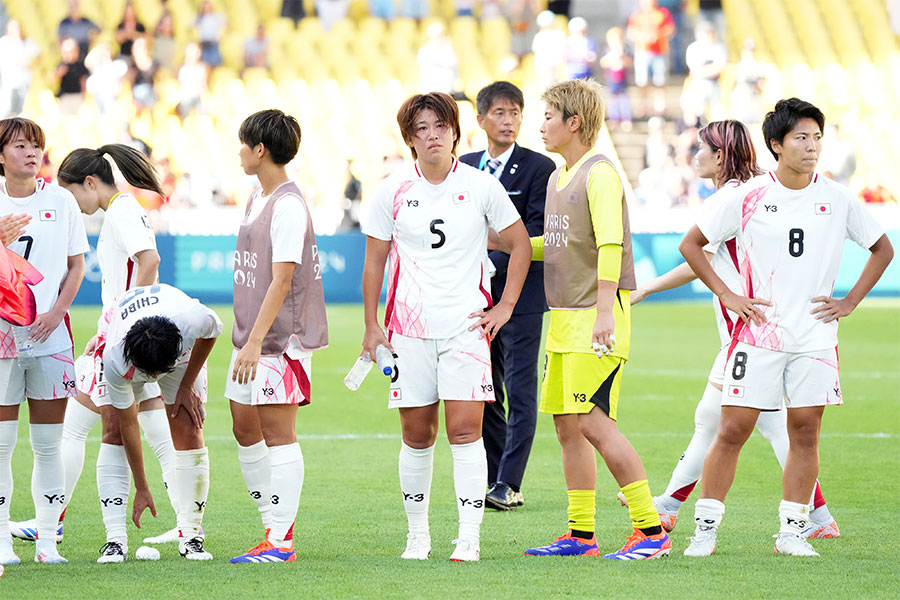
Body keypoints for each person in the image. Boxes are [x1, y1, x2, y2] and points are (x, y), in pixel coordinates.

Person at [679, 98, 893, 557]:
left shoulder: (836, 197)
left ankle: (793, 533)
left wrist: (850, 301)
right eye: (801, 137)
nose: (812, 146)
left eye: (817, 137)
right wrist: (729, 295)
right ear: (776, 145)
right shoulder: (746, 196)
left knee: (805, 434)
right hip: (759, 335)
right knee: (731, 431)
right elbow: (692, 245)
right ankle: (704, 533)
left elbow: (882, 248)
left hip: (815, 338)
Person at [628, 120, 839, 538]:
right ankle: (669, 504)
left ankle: (814, 519)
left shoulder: (736, 197)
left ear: (720, 155)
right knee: (715, 419)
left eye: (702, 149)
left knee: (761, 423)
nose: (695, 156)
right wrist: (650, 288)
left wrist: (653, 288)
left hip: (752, 333)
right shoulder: (756, 191)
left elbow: (695, 256)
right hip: (757, 330)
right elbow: (701, 260)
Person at [361, 92, 531, 562]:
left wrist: (506, 306)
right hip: (408, 333)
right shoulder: (391, 190)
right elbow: (374, 261)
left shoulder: (480, 186)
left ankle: (469, 537)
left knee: (464, 432)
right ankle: (418, 537)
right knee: (417, 435)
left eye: (440, 125)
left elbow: (519, 245)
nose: (432, 134)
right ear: (410, 139)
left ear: (456, 131)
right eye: (421, 128)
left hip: (466, 331)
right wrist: (372, 326)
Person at [8, 144, 183, 561]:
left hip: (126, 339)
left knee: (96, 430)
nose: (71, 205)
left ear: (90, 183)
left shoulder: (121, 211)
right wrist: (111, 325)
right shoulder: (123, 210)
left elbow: (150, 260)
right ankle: (183, 524)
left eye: (72, 194)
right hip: (119, 334)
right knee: (124, 427)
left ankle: (75, 525)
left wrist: (126, 322)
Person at [520, 79, 670, 560]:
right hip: (564, 320)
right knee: (567, 426)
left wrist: (605, 312)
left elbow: (610, 244)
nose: (540, 125)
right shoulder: (557, 177)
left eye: (547, 116)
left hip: (595, 319)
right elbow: (560, 246)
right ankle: (581, 536)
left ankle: (651, 532)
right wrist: (506, 240)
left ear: (573, 122)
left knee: (594, 422)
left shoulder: (600, 173)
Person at [227, 109, 328, 563]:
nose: (241, 152)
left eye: (244, 144)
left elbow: (282, 280)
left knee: (277, 433)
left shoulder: (287, 204)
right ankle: (270, 527)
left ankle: (280, 540)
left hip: (276, 342)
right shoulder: (257, 196)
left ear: (260, 150)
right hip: (250, 337)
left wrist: (253, 342)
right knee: (243, 426)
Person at [459, 81, 555, 510]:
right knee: (486, 390)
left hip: (522, 299)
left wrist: (493, 238)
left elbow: (538, 234)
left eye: (516, 112)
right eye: (499, 112)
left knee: (520, 389)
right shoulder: (463, 167)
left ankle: (510, 483)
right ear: (480, 119)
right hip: (474, 297)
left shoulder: (540, 168)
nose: (509, 120)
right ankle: (496, 477)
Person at [0, 117, 89, 566]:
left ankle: (48, 542)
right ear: (1, 155)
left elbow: (76, 265)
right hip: (1, 340)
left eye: (36, 145)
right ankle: (0, 541)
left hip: (51, 338)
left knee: (49, 444)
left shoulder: (61, 201)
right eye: (19, 145)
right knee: (0, 444)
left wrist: (56, 312)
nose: (31, 153)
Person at [100, 283, 222, 560]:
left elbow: (213, 333)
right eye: (151, 375)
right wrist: (142, 486)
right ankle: (115, 540)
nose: (155, 380)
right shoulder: (116, 360)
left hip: (177, 359)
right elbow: (130, 424)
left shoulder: (194, 321)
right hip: (132, 349)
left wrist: (185, 385)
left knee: (189, 426)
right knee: (114, 431)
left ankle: (191, 536)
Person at [627, 0, 675, 117]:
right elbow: (631, 33)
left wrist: (658, 35)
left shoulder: (663, 13)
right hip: (643, 52)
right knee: (643, 81)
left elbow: (671, 29)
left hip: (660, 51)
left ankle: (660, 105)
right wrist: (643, 38)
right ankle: (644, 105)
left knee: (660, 80)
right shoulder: (637, 15)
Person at [0, 20, 39, 117]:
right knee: (6, 109)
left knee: (21, 111)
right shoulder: (4, 42)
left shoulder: (27, 42)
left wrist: (31, 64)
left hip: (24, 81)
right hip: (8, 82)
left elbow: (39, 55)